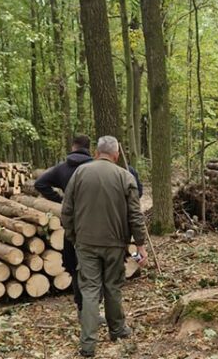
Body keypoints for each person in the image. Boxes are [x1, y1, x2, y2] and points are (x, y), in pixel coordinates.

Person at [61, 136, 148, 357]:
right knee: (112, 287)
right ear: (116, 155)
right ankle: (117, 330)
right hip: (115, 243)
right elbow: (135, 215)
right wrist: (140, 245)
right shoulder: (125, 176)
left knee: (89, 290)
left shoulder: (79, 173)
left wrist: (73, 236)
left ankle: (88, 344)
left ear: (97, 152)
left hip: (86, 243)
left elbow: (67, 210)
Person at [33, 135, 93, 316]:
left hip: (71, 224)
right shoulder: (94, 168)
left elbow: (40, 183)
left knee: (73, 264)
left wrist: (59, 200)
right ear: (89, 148)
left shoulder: (62, 168)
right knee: (93, 265)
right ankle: (93, 308)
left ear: (73, 147)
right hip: (93, 221)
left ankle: (82, 307)